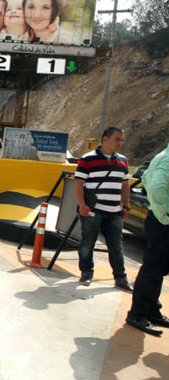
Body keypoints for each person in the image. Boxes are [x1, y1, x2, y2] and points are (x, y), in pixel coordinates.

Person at [74, 127, 132, 291]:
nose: (120, 143)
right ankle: (86, 273)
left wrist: (126, 204)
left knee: (116, 246)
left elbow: (125, 185)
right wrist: (82, 205)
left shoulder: (123, 161)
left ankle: (120, 278)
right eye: (117, 139)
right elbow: (79, 183)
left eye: (122, 140)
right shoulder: (87, 159)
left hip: (114, 212)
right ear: (105, 139)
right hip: (94, 210)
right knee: (87, 243)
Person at [125, 142, 169, 336]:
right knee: (152, 269)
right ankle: (137, 314)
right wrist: (165, 215)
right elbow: (157, 188)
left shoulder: (163, 156)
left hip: (160, 219)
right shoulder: (167, 160)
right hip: (162, 221)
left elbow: (145, 176)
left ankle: (151, 309)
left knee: (158, 269)